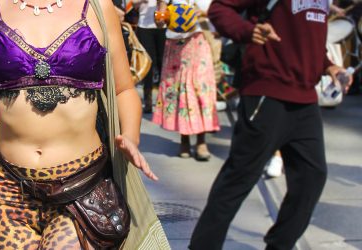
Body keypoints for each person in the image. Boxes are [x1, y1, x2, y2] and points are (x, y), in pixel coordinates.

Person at [0, 0, 166, 248]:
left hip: (81, 188)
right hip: (6, 190)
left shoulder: (98, 6)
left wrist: (130, 135)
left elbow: (123, 90)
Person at [189, 0, 352, 249]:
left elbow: (308, 42)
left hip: (305, 100)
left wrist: (329, 66)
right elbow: (219, 8)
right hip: (267, 95)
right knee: (239, 178)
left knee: (312, 177)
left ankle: (279, 245)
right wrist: (246, 30)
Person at [152, 0, 220, 161]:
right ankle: (184, 139)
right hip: (175, 45)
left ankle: (201, 141)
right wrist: (162, 13)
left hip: (199, 42)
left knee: (200, 91)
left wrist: (202, 14)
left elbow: (220, 15)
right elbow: (159, 22)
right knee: (180, 91)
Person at [136, 0, 166, 113]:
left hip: (162, 26)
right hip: (144, 27)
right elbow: (133, 4)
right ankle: (147, 101)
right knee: (148, 63)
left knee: (162, 62)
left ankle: (164, 100)